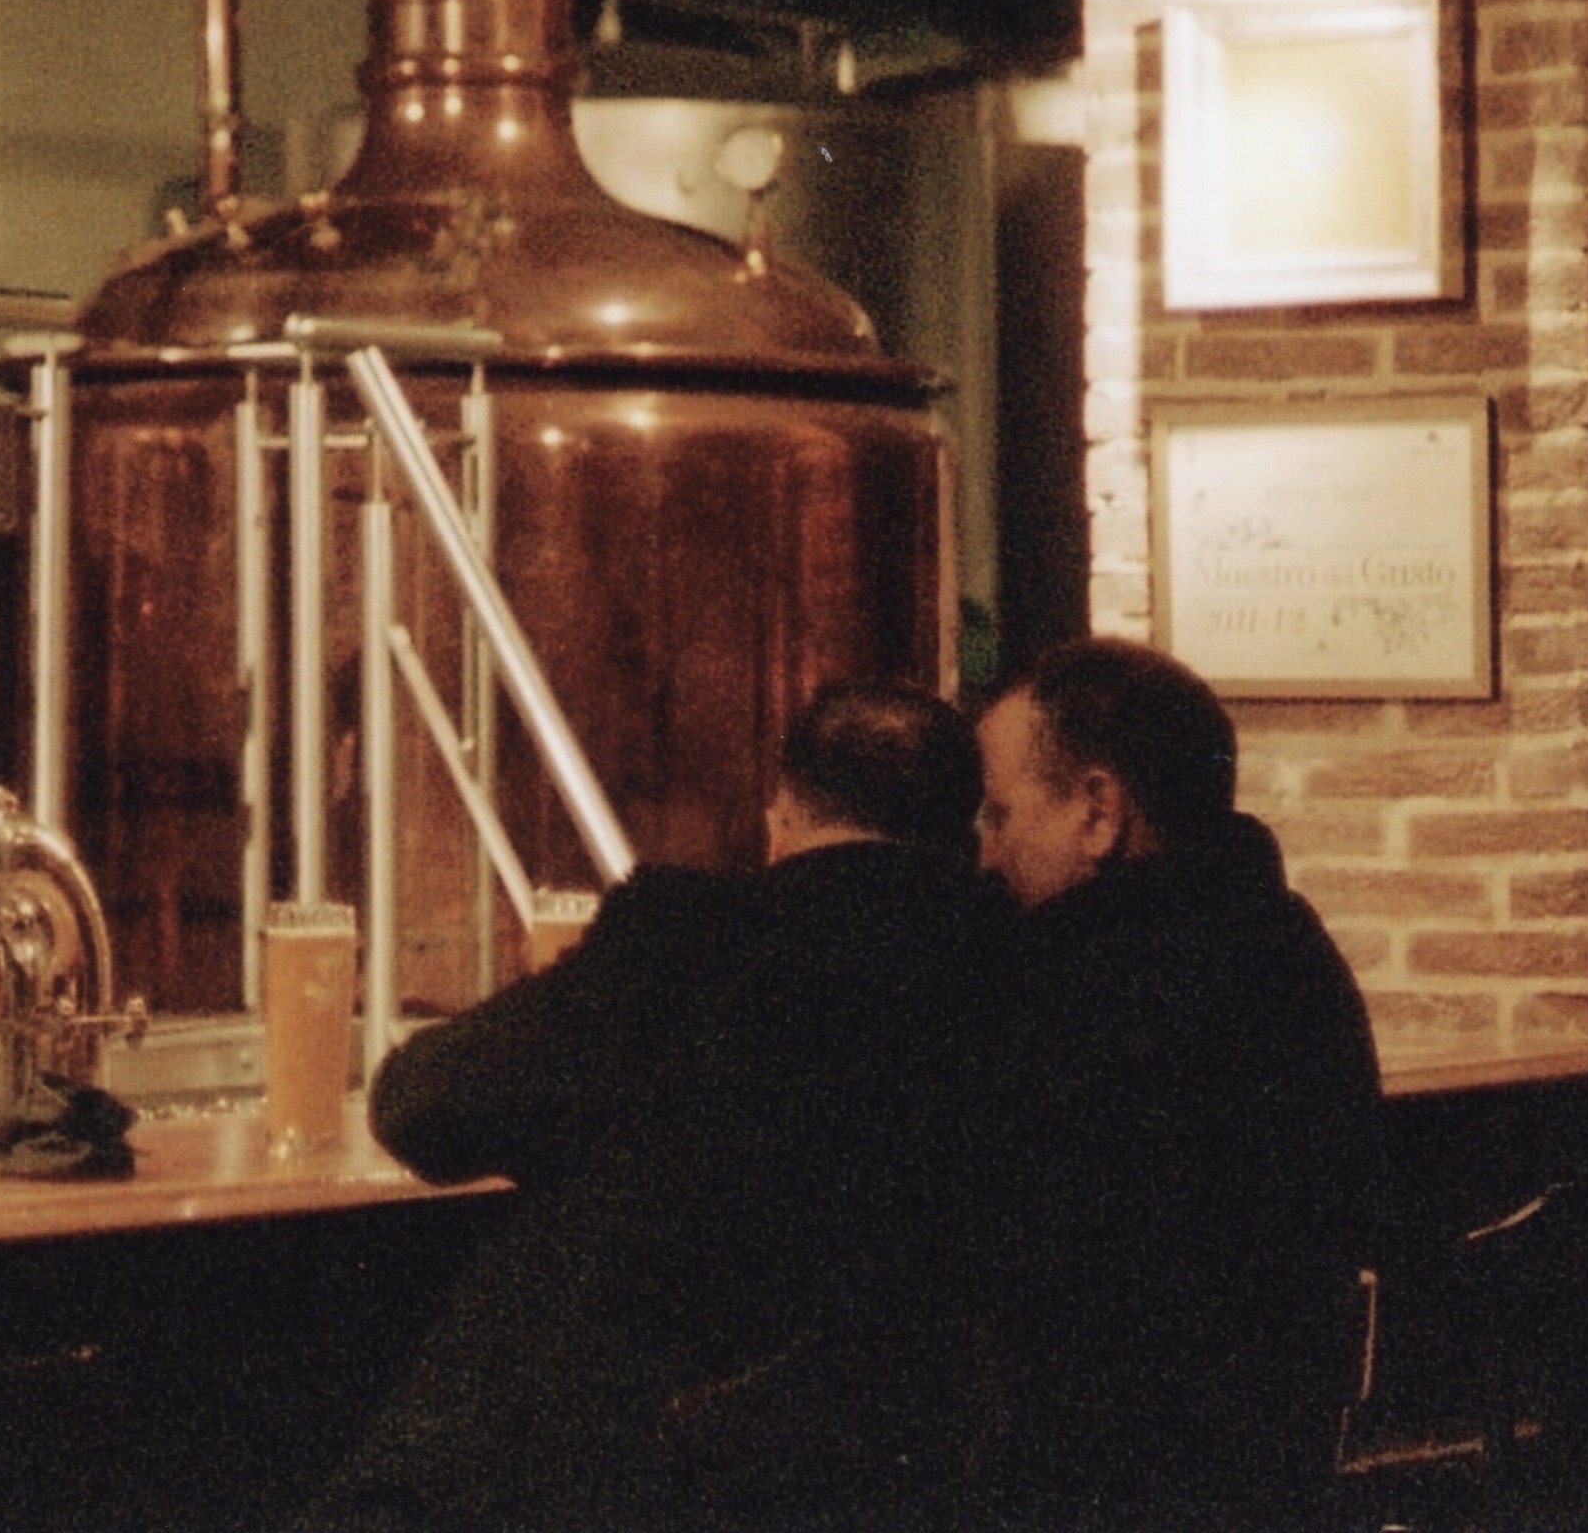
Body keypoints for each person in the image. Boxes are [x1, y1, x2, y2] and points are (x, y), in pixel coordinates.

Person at [304, 679, 1014, 1530]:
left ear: (780, 818)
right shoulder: (1022, 970)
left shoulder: (686, 944)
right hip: (895, 1482)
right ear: (966, 836)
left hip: (613, 1477)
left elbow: (418, 1106)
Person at [971, 636, 1386, 1531]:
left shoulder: (1084, 997)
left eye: (1000, 815)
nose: (987, 855)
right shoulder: (1286, 944)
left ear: (1097, 810)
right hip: (1277, 1476)